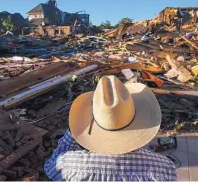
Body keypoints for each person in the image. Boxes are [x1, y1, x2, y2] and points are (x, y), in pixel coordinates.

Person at [44, 75, 177, 181]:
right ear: (141, 125)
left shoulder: (69, 165)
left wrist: (75, 131)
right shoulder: (164, 168)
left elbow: (50, 167)